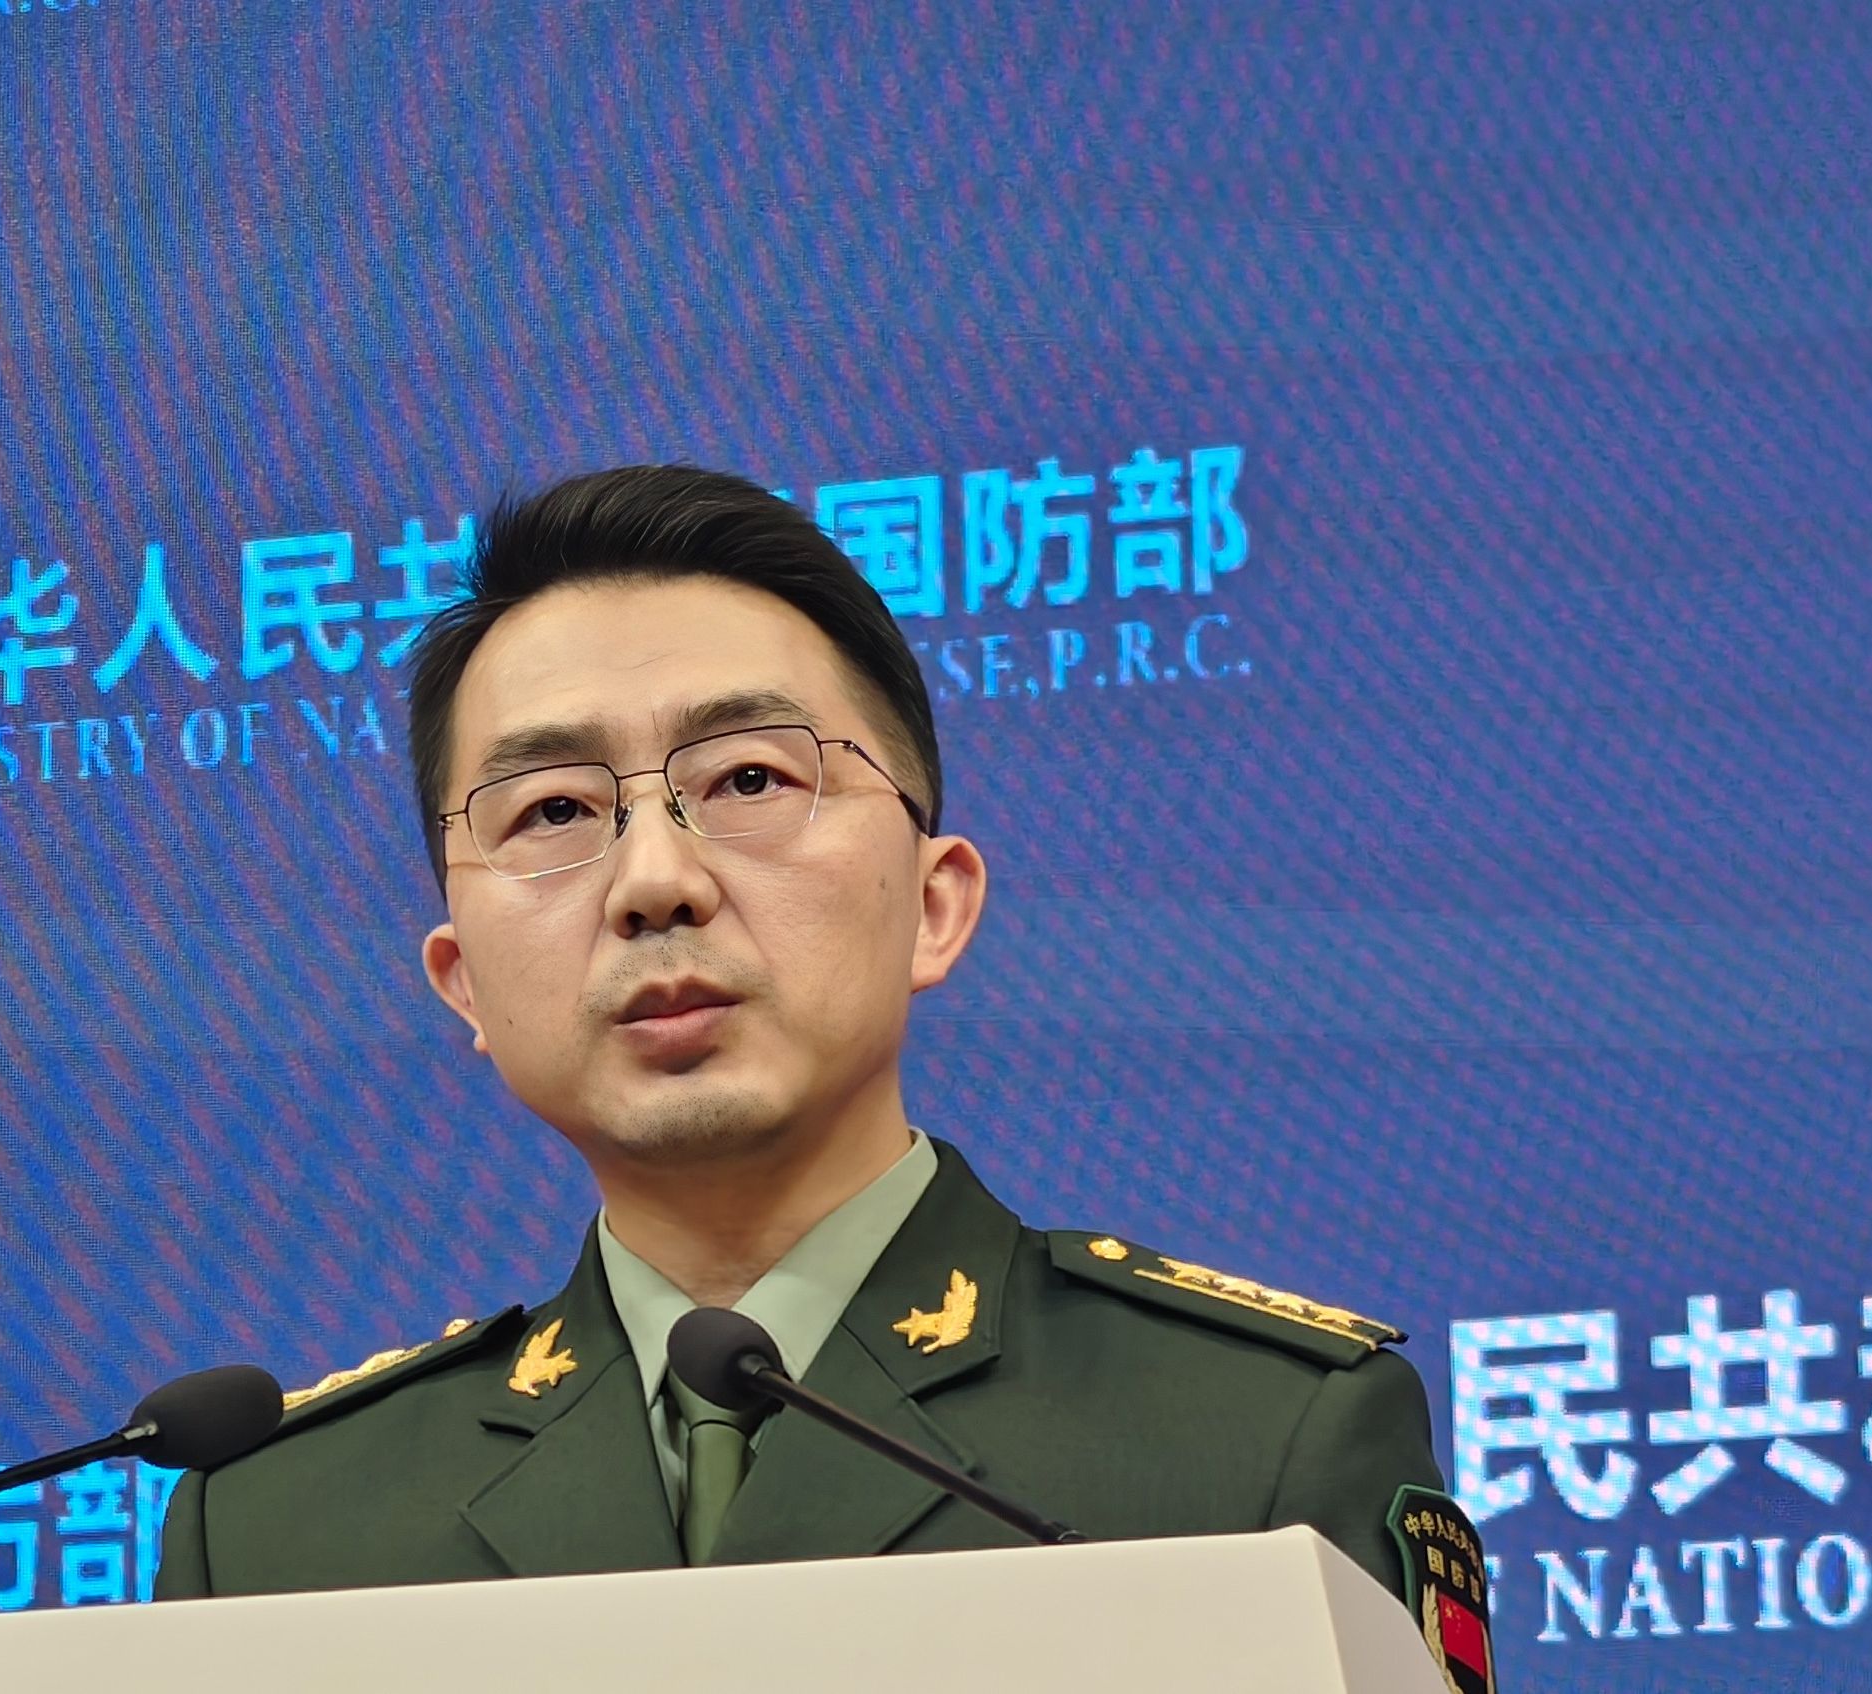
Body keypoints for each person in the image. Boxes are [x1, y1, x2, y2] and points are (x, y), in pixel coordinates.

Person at [155, 465, 1483, 1649]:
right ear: (463, 983)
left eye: (748, 781)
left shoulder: (1253, 1438)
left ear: (935, 903)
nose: (655, 882)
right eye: (553, 809)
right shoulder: (281, 1527)